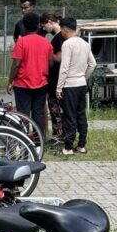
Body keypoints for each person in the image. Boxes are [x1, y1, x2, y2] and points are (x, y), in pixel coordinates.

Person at [7, 13, 53, 139]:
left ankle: (24, 139)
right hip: (41, 83)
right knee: (38, 113)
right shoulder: (46, 43)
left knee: (23, 114)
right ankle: (39, 141)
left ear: (25, 27)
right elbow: (51, 63)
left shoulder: (21, 42)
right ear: (38, 25)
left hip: (22, 84)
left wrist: (10, 81)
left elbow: (16, 64)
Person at [56, 17, 96, 155]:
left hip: (69, 85)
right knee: (81, 115)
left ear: (65, 29)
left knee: (69, 116)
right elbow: (93, 64)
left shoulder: (67, 44)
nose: (61, 32)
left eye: (61, 29)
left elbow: (64, 68)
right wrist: (83, 77)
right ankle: (82, 145)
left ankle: (68, 147)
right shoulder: (85, 43)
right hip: (81, 84)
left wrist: (59, 87)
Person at [41, 12, 64, 141]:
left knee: (55, 106)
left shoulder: (59, 37)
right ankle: (58, 133)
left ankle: (59, 134)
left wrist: (48, 53)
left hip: (56, 76)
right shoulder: (57, 36)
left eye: (45, 25)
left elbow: (59, 57)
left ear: (50, 22)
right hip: (55, 76)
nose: (44, 28)